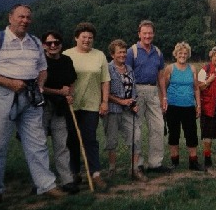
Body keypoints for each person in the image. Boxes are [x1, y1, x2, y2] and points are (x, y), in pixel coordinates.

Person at [0, 4, 65, 205]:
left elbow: (42, 68)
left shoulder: (34, 42)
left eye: (28, 18)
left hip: (31, 97)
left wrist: (40, 86)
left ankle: (46, 186)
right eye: (20, 17)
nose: (25, 20)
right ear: (10, 17)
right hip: (3, 95)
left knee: (37, 142)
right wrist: (10, 83)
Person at [63, 22, 110, 189]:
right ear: (76, 37)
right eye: (84, 37)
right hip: (71, 105)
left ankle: (95, 174)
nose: (87, 40)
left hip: (92, 104)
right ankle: (74, 174)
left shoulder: (100, 55)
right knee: (72, 140)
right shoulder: (66, 55)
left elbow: (105, 80)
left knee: (90, 139)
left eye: (90, 37)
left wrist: (104, 102)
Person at [126, 20, 170, 173]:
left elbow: (160, 75)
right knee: (136, 129)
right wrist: (130, 98)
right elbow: (127, 75)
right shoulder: (132, 51)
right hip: (136, 91)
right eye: (144, 33)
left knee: (158, 127)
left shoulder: (157, 52)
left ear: (153, 34)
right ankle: (137, 164)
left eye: (150, 33)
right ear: (139, 34)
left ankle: (155, 163)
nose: (147, 36)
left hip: (153, 91)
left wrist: (164, 96)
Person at [41, 31, 79, 194]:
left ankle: (67, 180)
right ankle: (40, 181)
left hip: (61, 108)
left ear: (61, 44)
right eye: (49, 43)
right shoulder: (40, 61)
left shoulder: (66, 60)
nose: (53, 45)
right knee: (39, 144)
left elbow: (71, 81)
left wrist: (69, 93)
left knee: (61, 144)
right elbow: (40, 87)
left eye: (56, 42)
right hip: (42, 106)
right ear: (44, 45)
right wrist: (60, 92)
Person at [104, 39, 148, 182]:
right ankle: (112, 169)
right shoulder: (108, 69)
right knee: (112, 140)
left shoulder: (129, 69)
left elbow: (133, 89)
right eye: (119, 52)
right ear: (112, 54)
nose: (122, 55)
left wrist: (133, 103)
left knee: (136, 138)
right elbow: (104, 92)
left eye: (124, 52)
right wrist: (121, 101)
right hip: (112, 110)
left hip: (129, 111)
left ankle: (134, 169)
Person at [164, 42, 205, 171]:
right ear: (175, 54)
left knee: (191, 134)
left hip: (188, 106)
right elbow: (163, 88)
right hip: (173, 106)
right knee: (174, 134)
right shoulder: (170, 68)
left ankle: (193, 162)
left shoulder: (192, 68)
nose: (182, 55)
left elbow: (196, 88)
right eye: (180, 53)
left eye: (185, 53)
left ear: (188, 55)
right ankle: (174, 161)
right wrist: (163, 102)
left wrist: (198, 105)